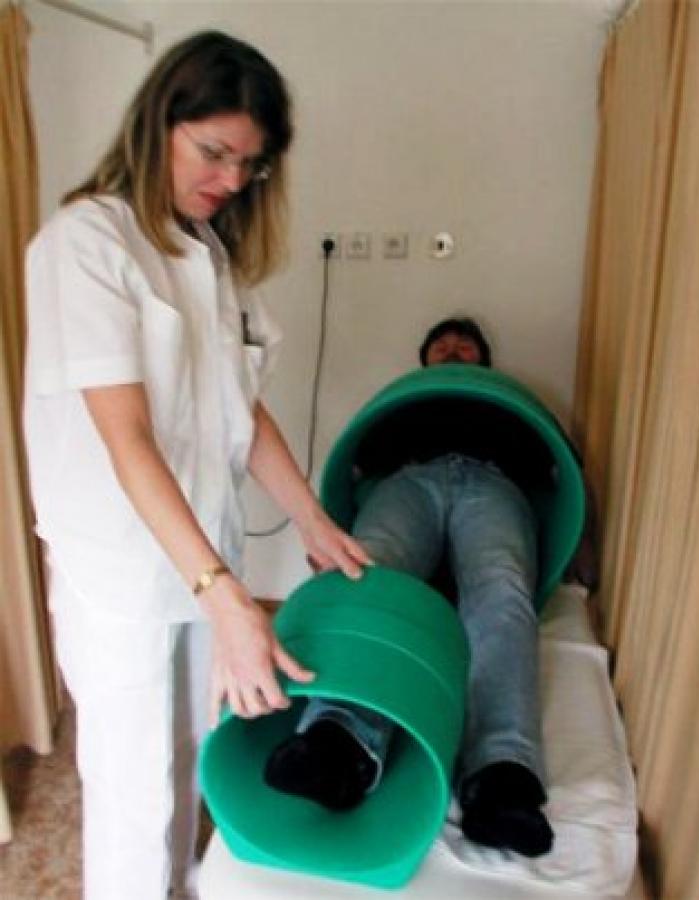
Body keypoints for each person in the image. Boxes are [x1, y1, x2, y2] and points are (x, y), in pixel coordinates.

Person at [23, 31, 369, 900]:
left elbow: (240, 409)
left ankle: (175, 885)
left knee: (190, 754)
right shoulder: (87, 244)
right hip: (122, 573)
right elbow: (129, 439)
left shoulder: (209, 254)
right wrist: (226, 598)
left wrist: (314, 520)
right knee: (132, 789)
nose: (231, 180)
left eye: (249, 164)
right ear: (159, 124)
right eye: (214, 152)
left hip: (199, 551)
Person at [265, 316, 591, 858]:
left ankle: (501, 777)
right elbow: (352, 470)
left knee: (502, 590)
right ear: (424, 360)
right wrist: (326, 536)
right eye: (442, 344)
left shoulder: (510, 402)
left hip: (492, 485)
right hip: (407, 483)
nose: (453, 349)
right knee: (370, 576)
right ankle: (341, 744)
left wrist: (580, 540)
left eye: (465, 344)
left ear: (484, 361)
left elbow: (564, 471)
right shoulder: (402, 404)